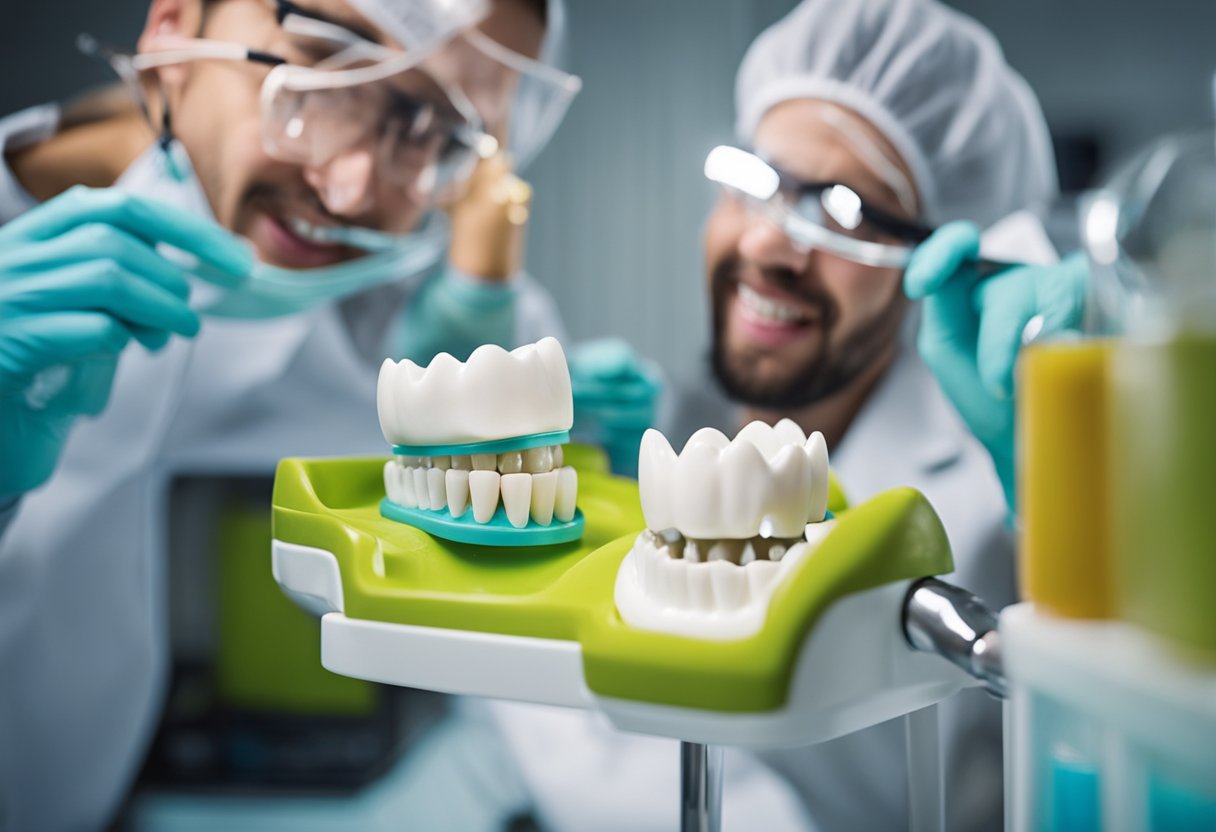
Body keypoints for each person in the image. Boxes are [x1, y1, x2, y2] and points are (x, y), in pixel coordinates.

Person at [485, 0, 1087, 830]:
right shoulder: (652, 433)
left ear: (939, 257)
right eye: (754, 182)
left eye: (845, 210)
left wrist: (1075, 495)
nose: (770, 245)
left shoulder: (992, 501)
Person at [0, 1, 581, 828]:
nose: (350, 190)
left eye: (432, 132)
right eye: (327, 73)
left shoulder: (371, 301)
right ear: (170, 27)